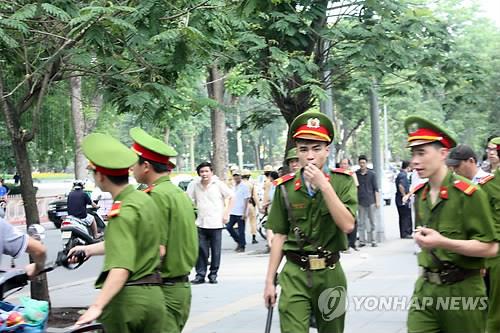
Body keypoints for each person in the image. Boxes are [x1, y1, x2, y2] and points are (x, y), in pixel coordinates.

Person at [263, 111, 357, 333]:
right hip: (295, 272)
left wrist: (324, 186)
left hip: (330, 272)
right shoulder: (285, 188)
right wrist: (269, 281)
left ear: (327, 150)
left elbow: (348, 225)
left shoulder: (342, 182)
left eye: (316, 149)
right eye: (304, 150)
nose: (310, 156)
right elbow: (279, 235)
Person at [404, 117, 498, 333]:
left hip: (463, 292)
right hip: (426, 291)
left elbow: (491, 247)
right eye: (413, 154)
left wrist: (443, 242)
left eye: (422, 153)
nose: (415, 161)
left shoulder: (470, 194)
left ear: (443, 153)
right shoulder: (422, 196)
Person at [68, 133, 166, 333]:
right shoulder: (145, 200)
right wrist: (86, 249)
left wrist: (97, 306)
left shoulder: (122, 211)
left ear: (101, 176)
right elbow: (136, 245)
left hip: (128, 303)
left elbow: (121, 266)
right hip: (155, 298)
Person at [129, 128, 198, 332]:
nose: (132, 168)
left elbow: (157, 250)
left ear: (146, 166)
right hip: (180, 288)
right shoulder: (178, 194)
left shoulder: (156, 197)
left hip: (164, 290)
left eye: (135, 163)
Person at [446, 141, 500, 333]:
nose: (454, 171)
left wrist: (484, 257)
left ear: (471, 161)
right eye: (451, 167)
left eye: (457, 166)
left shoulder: (489, 184)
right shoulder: (455, 187)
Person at [187, 162, 233, 284]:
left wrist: (226, 213)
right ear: (199, 174)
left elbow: (231, 196)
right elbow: (187, 199)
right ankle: (200, 275)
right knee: (201, 250)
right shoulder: (194, 185)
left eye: (207, 171)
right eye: (202, 172)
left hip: (216, 222)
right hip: (200, 222)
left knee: (216, 251)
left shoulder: (218, 184)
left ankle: (213, 274)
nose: (204, 174)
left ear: (211, 172)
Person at [355, 155, 380, 247]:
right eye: (360, 163)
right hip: (360, 201)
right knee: (361, 223)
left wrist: (377, 201)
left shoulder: (372, 174)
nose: (362, 164)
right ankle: (362, 241)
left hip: (371, 201)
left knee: (372, 222)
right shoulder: (356, 174)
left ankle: (373, 240)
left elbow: (376, 189)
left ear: (366, 163)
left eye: (364, 163)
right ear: (358, 163)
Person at [226, 168, 250, 252]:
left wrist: (245, 212)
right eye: (235, 176)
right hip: (233, 211)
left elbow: (247, 200)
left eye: (238, 176)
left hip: (241, 211)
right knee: (229, 227)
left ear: (241, 176)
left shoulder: (244, 186)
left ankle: (242, 246)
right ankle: (239, 241)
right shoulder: (233, 186)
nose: (236, 178)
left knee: (241, 230)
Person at [339, 158, 359, 251]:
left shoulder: (351, 174)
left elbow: (356, 187)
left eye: (345, 164)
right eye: (342, 164)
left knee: (353, 222)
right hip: (339, 202)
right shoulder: (337, 175)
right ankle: (344, 245)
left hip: (350, 201)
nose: (343, 166)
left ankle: (352, 243)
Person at [241, 169, 259, 244]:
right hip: (250, 204)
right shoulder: (251, 184)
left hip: (241, 206)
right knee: (253, 221)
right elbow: (255, 196)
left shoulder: (239, 185)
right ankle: (253, 238)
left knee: (242, 223)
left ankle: (242, 239)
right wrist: (259, 206)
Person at [395, 160, 412, 239]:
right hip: (402, 198)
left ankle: (403, 233)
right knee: (406, 216)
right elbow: (401, 186)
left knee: (402, 216)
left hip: (398, 198)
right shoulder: (403, 175)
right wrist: (404, 196)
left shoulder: (400, 174)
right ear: (408, 167)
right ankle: (406, 233)